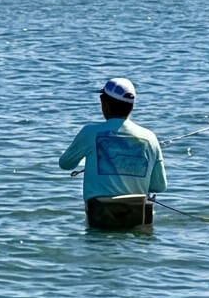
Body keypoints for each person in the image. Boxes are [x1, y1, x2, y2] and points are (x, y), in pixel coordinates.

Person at [58, 77, 167, 229]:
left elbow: (65, 163)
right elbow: (159, 186)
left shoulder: (89, 133)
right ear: (132, 106)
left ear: (104, 103)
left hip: (99, 220)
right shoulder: (150, 138)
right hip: (137, 221)